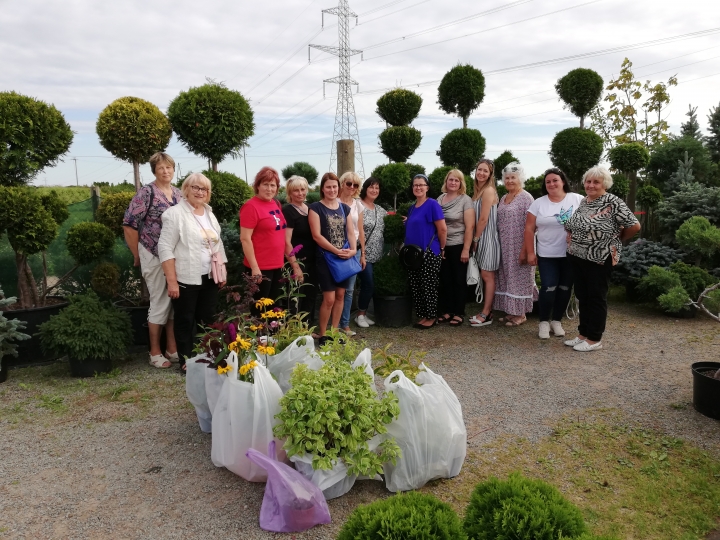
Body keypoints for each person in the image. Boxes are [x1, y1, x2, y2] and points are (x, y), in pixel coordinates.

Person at [564, 166, 640, 351]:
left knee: (596, 297)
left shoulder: (613, 202)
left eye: (596, 182)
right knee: (583, 296)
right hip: (578, 255)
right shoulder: (584, 201)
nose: (591, 185)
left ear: (604, 184)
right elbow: (577, 224)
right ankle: (583, 334)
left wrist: (617, 239)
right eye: (588, 181)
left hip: (600, 258)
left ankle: (594, 338)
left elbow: (634, 226)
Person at [158, 173, 228, 369]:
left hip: (210, 275)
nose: (200, 192)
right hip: (186, 277)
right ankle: (186, 360)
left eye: (204, 189)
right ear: (186, 189)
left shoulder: (209, 213)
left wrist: (222, 271)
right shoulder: (174, 214)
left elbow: (218, 244)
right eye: (195, 187)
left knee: (208, 318)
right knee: (185, 320)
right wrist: (172, 281)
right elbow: (164, 248)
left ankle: (209, 355)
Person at [122, 152, 181, 369]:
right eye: (161, 168)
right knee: (159, 301)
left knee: (174, 302)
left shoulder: (178, 194)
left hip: (173, 256)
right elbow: (129, 224)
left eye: (169, 167)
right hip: (152, 252)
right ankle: (154, 351)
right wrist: (137, 254)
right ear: (154, 170)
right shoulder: (146, 193)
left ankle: (172, 348)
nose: (166, 171)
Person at [524, 168, 584, 339]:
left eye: (555, 180)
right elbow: (529, 229)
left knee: (565, 288)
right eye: (548, 181)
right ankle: (543, 322)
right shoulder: (539, 203)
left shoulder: (577, 199)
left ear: (563, 181)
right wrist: (530, 252)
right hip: (547, 254)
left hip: (571, 253)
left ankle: (556, 321)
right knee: (548, 287)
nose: (551, 184)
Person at [240, 167, 300, 312]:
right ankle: (260, 335)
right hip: (260, 268)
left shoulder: (275, 204)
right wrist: (255, 268)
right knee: (259, 310)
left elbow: (282, 237)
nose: (269, 189)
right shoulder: (251, 207)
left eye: (272, 185)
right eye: (265, 184)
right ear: (258, 186)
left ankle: (270, 335)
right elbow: (245, 239)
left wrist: (294, 265)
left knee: (273, 308)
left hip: (277, 265)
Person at [308, 172, 357, 346]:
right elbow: (317, 236)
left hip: (343, 258)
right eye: (328, 187)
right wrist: (336, 250)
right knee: (328, 298)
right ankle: (322, 334)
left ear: (339, 187)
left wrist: (353, 250)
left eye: (334, 186)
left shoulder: (345, 208)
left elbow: (350, 232)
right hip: (326, 258)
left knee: (340, 295)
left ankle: (334, 332)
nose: (332, 190)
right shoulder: (315, 208)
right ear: (322, 188)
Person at [493, 162, 537, 326]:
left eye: (513, 178)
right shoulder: (504, 198)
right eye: (507, 178)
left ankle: (521, 314)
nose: (510, 181)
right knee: (507, 278)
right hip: (505, 245)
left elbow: (531, 226)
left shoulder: (526, 197)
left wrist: (526, 250)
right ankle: (512, 312)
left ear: (520, 179)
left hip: (520, 245)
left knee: (520, 277)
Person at [405, 173, 447, 329]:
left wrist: (442, 248)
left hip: (429, 252)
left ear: (427, 187)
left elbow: (442, 229)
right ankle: (422, 315)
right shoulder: (412, 207)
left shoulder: (432, 205)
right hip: (413, 255)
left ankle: (431, 316)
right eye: (415, 185)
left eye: (421, 185)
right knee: (416, 285)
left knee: (428, 285)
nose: (418, 187)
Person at [436, 169, 474, 326]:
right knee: (445, 280)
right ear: (446, 181)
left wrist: (466, 249)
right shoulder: (439, 198)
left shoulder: (466, 200)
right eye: (450, 180)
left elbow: (470, 226)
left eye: (456, 180)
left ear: (461, 183)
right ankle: (447, 311)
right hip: (442, 246)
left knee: (458, 280)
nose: (453, 183)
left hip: (459, 245)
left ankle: (458, 312)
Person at [282, 175, 318, 326]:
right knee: (295, 297)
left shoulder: (310, 208)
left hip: (314, 260)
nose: (300, 193)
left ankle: (307, 328)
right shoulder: (288, 211)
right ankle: (294, 331)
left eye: (303, 189)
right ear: (290, 193)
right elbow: (286, 241)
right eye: (296, 190)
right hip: (297, 261)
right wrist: (295, 266)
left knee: (311, 295)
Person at [469, 158, 501, 327]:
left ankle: (487, 313)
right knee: (484, 275)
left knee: (488, 276)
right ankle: (486, 310)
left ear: (490, 174)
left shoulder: (488, 191)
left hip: (487, 238)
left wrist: (476, 239)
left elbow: (483, 218)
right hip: (481, 238)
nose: (481, 173)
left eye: (485, 171)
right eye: (479, 169)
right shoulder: (477, 192)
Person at [354, 177, 387, 328]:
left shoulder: (380, 210)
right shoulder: (357, 205)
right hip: (362, 254)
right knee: (368, 284)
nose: (374, 190)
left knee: (369, 284)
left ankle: (364, 313)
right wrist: (362, 253)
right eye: (371, 187)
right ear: (365, 189)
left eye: (377, 188)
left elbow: (390, 223)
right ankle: (359, 314)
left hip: (377, 255)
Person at [337, 171, 365, 336]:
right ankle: (332, 323)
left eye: (356, 185)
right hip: (336, 250)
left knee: (349, 289)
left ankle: (345, 323)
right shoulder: (334, 202)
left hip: (354, 250)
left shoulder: (358, 204)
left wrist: (363, 254)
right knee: (334, 290)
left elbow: (360, 230)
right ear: (342, 184)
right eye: (349, 183)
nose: (352, 187)